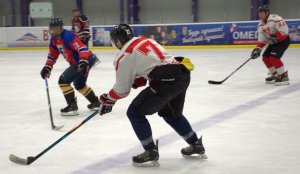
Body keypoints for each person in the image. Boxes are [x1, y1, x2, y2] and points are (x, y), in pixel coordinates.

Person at [98, 24, 207, 167]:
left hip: (165, 83)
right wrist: (143, 77)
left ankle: (150, 152)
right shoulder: (144, 40)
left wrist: (108, 100)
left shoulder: (124, 55)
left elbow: (122, 89)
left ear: (118, 41)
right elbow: (156, 61)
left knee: (135, 113)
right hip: (182, 75)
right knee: (171, 114)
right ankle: (195, 145)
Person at [40, 17, 100, 116]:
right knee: (80, 85)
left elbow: (82, 48)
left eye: (55, 28)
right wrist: (47, 67)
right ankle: (96, 102)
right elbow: (52, 55)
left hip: (83, 60)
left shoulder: (68, 36)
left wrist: (83, 61)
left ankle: (72, 106)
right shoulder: (54, 40)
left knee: (63, 81)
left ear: (60, 28)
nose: (53, 30)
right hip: (84, 61)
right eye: (52, 28)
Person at [251, 5, 290, 86]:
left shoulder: (275, 19)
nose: (260, 15)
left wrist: (276, 36)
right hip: (273, 42)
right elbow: (262, 39)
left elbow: (284, 31)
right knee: (265, 57)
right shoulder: (260, 25)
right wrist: (257, 49)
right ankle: (275, 74)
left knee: (274, 58)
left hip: (283, 41)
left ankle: (283, 75)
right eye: (259, 13)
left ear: (267, 13)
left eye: (262, 13)